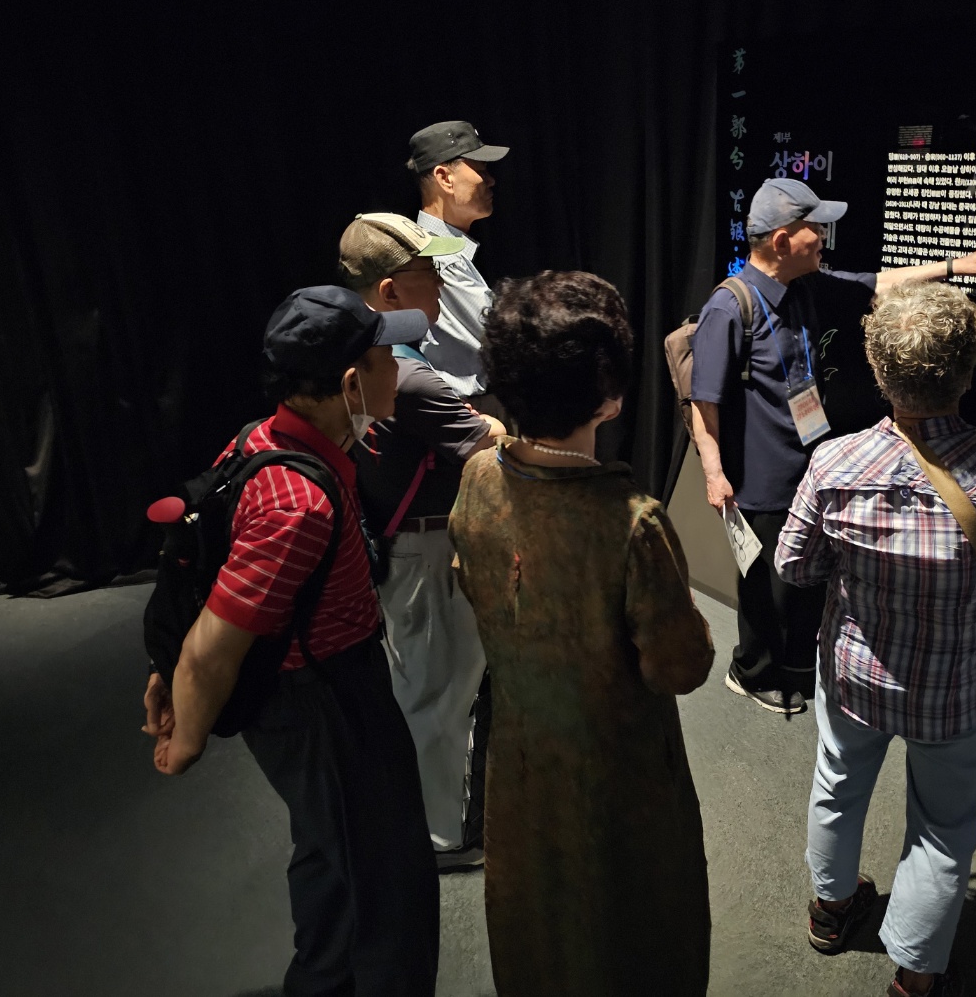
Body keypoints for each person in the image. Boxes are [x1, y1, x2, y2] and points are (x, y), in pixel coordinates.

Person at [774, 281, 976, 997]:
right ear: (968, 373)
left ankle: (831, 910)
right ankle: (916, 977)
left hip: (854, 675)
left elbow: (793, 565)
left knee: (837, 785)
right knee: (944, 826)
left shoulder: (835, 463)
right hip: (956, 688)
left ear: (880, 373)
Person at [141, 285, 441, 996]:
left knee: (332, 855)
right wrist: (185, 739)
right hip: (324, 704)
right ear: (350, 383)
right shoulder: (297, 505)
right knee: (387, 887)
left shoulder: (262, 439)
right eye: (387, 356)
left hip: (329, 690)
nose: (400, 368)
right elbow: (214, 646)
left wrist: (164, 673)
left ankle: (319, 981)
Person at [448, 271, 714, 997]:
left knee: (538, 924)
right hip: (620, 773)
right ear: (610, 395)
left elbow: (474, 581)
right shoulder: (631, 522)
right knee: (633, 931)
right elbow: (679, 668)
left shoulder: (478, 477)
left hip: (522, 756)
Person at [690, 177, 976, 715]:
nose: (823, 237)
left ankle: (795, 665)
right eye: (814, 228)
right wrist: (713, 473)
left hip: (810, 462)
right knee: (765, 581)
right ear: (782, 240)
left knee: (803, 578)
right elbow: (705, 400)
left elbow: (879, 282)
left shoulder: (806, 285)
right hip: (762, 475)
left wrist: (956, 267)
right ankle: (752, 670)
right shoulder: (730, 306)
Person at [338, 212, 506, 870]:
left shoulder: (364, 355)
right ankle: (446, 838)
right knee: (444, 694)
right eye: (427, 273)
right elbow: (488, 441)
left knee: (423, 684)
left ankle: (428, 819)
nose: (440, 285)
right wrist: (486, 424)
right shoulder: (407, 377)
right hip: (428, 551)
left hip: (396, 544)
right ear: (388, 291)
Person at [407, 120, 509, 411]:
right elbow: (504, 334)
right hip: (476, 409)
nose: (491, 180)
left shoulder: (443, 251)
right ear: (445, 177)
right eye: (481, 170)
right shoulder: (439, 258)